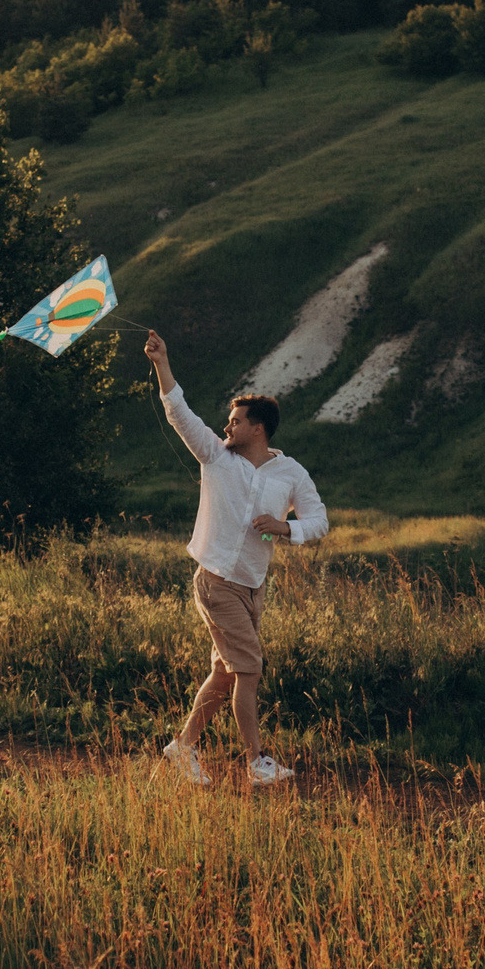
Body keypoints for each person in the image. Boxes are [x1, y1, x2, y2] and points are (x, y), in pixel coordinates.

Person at [142, 328, 328, 787]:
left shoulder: (291, 473)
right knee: (250, 668)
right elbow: (179, 414)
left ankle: (182, 747)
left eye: (235, 422)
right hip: (216, 579)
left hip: (252, 585)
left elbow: (319, 520)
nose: (227, 428)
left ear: (258, 428)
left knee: (226, 675)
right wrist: (162, 364)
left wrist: (286, 527)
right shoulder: (216, 458)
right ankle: (258, 762)